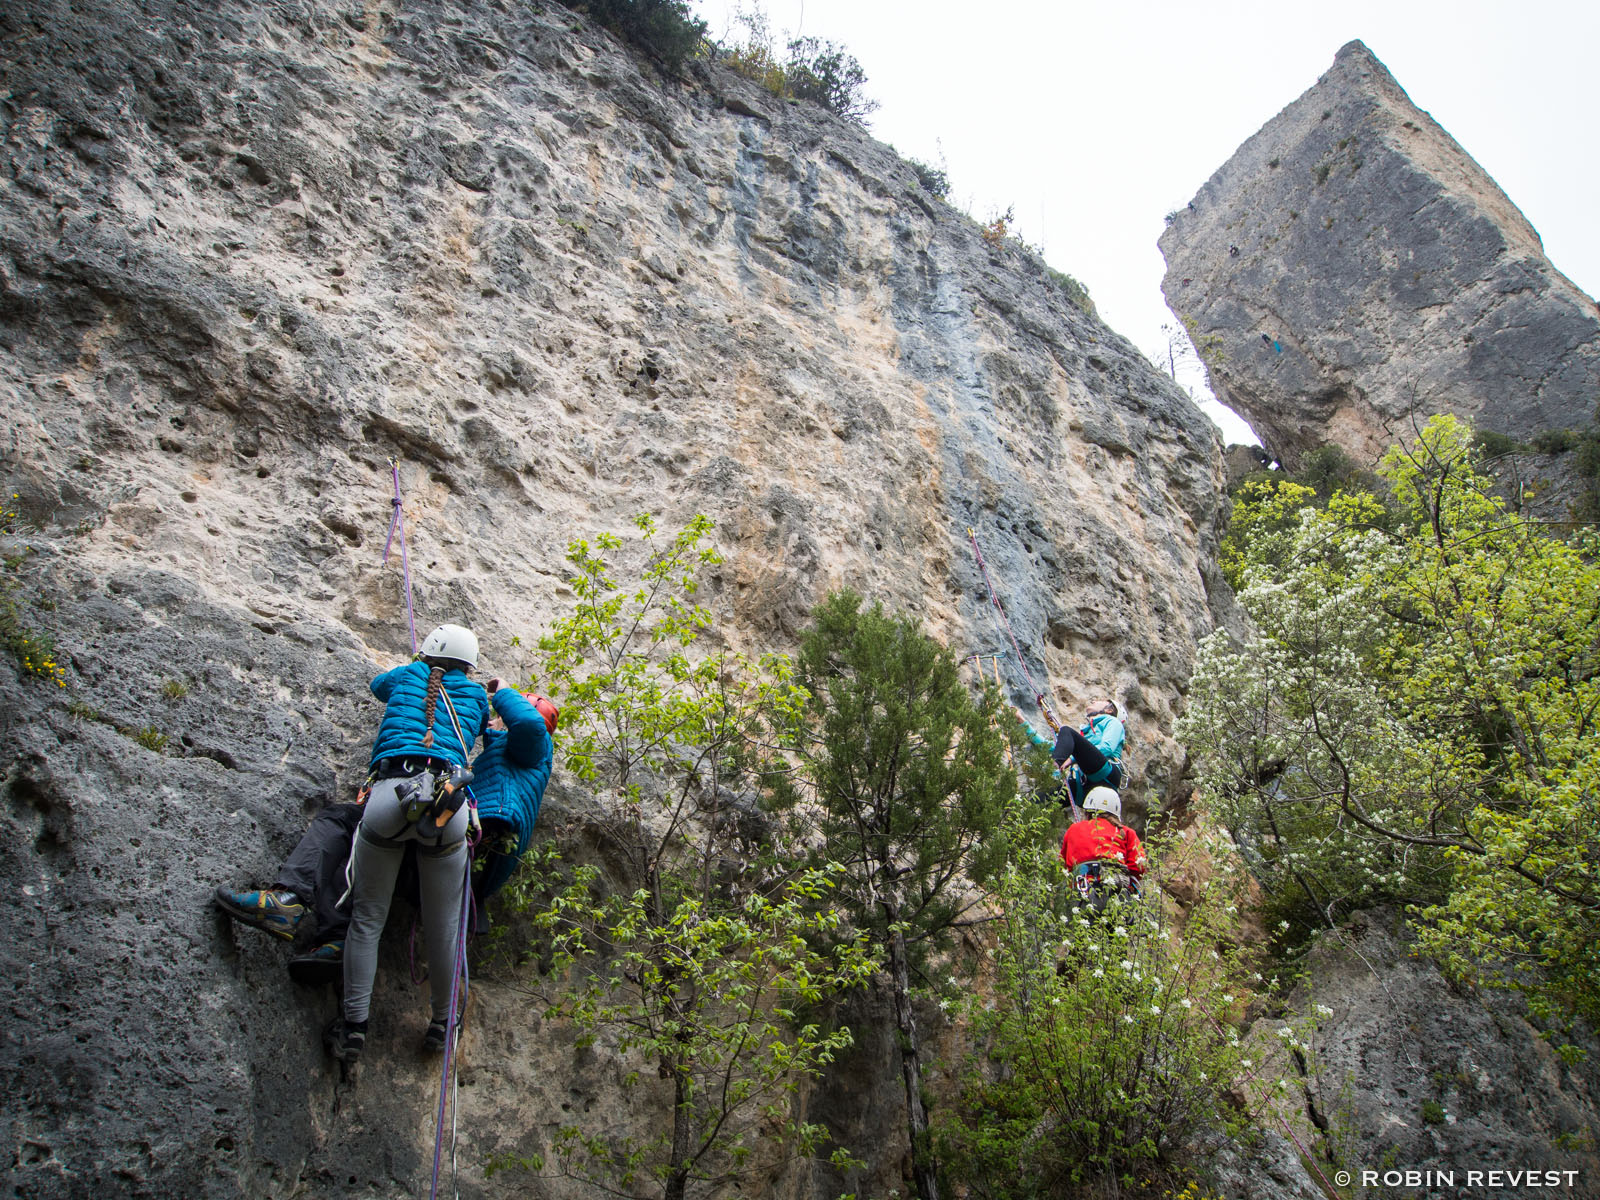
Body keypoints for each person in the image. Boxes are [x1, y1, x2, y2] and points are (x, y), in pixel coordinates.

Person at [213, 684, 558, 984]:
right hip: (460, 869)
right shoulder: (513, 764)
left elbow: (526, 723)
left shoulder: (533, 746)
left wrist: (501, 692)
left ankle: (288, 901)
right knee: (361, 841)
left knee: (343, 820)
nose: (495, 722)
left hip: (459, 857)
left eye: (501, 719)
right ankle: (335, 941)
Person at [329, 623, 492, 1063]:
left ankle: (354, 1028)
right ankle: (442, 1023)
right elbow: (480, 727)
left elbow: (377, 685)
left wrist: (416, 665)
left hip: (389, 794)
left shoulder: (406, 676)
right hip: (447, 803)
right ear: (469, 664)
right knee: (443, 929)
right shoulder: (476, 696)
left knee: (367, 919)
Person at [1015, 699, 1126, 811]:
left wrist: (1072, 758)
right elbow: (1055, 748)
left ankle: (1051, 769)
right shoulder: (1088, 732)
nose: (1094, 700)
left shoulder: (1113, 722)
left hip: (1106, 773)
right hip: (1084, 787)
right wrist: (1023, 723)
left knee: (1066, 731)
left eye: (1101, 700)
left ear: (1109, 709)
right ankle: (1018, 816)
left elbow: (1107, 747)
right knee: (1036, 802)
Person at [1059, 786, 1146, 912]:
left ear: (1088, 811)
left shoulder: (1074, 829)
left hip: (1083, 894)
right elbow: (1140, 867)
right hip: (1117, 895)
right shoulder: (1126, 833)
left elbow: (1064, 866)